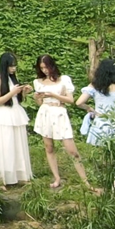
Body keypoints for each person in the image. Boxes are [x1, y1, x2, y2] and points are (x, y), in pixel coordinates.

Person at [32, 55, 99, 193]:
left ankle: (85, 181)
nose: (45, 70)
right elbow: (39, 103)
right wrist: (37, 98)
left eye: (47, 67)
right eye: (42, 68)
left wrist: (53, 95)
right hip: (45, 112)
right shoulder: (38, 82)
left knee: (72, 150)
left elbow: (70, 100)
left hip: (59, 112)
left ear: (52, 66)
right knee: (49, 147)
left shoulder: (64, 80)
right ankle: (56, 177)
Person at [0, 51, 33, 187]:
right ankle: (3, 177)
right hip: (4, 115)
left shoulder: (12, 78)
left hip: (16, 112)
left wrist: (23, 91)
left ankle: (20, 175)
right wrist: (12, 92)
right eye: (11, 66)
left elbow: (16, 99)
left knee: (18, 144)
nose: (13, 69)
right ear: (5, 66)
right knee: (6, 145)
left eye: (15, 66)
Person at [76, 58, 115, 147]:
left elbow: (79, 102)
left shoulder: (94, 86)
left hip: (100, 122)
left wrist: (89, 109)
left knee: (101, 151)